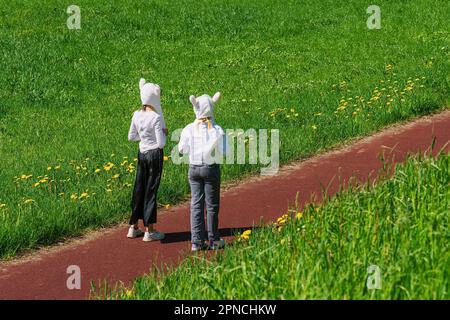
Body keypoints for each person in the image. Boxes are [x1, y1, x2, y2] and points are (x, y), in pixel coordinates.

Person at [178, 92, 228, 251]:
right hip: (210, 168)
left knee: (196, 205)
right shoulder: (217, 129)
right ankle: (214, 239)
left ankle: (196, 242)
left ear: (196, 108)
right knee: (212, 205)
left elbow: (181, 149)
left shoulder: (188, 128)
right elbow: (225, 151)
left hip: (193, 168)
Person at [127, 78, 167, 242]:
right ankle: (149, 230)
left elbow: (131, 137)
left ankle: (133, 227)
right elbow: (161, 143)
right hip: (154, 156)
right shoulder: (156, 118)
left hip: (142, 153)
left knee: (139, 188)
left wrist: (143, 138)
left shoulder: (136, 115)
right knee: (151, 191)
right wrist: (164, 132)